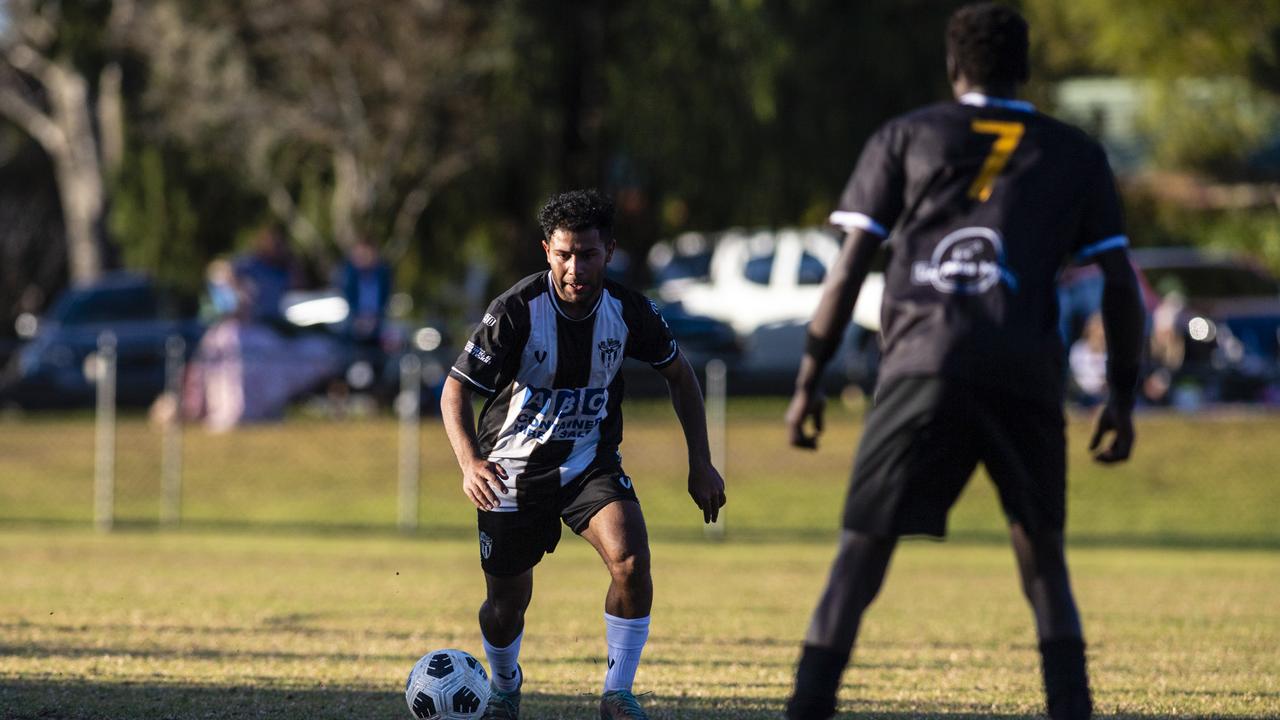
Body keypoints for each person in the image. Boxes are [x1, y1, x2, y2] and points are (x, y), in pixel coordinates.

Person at [783, 4, 1145, 720]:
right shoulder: (1076, 152)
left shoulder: (905, 136)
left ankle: (808, 708)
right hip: (1023, 369)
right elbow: (1120, 280)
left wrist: (808, 381)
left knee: (859, 557)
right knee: (1043, 564)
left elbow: (851, 268)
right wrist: (1124, 400)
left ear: (954, 68)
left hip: (922, 363)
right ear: (1026, 69)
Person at [440, 189, 726, 720]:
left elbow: (682, 378)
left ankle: (617, 694)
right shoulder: (515, 311)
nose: (575, 267)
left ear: (609, 252)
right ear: (546, 250)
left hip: (589, 465)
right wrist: (470, 463)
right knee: (506, 607)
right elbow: (455, 390)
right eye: (564, 254)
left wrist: (700, 461)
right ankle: (505, 687)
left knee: (631, 560)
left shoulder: (630, 311)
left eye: (588, 254)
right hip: (512, 471)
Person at [337, 236, 392, 346]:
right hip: (354, 324)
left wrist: (375, 318)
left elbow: (385, 299)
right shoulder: (349, 275)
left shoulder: (383, 274)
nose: (360, 258)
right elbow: (348, 299)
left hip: (378, 323)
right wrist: (358, 318)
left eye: (364, 255)